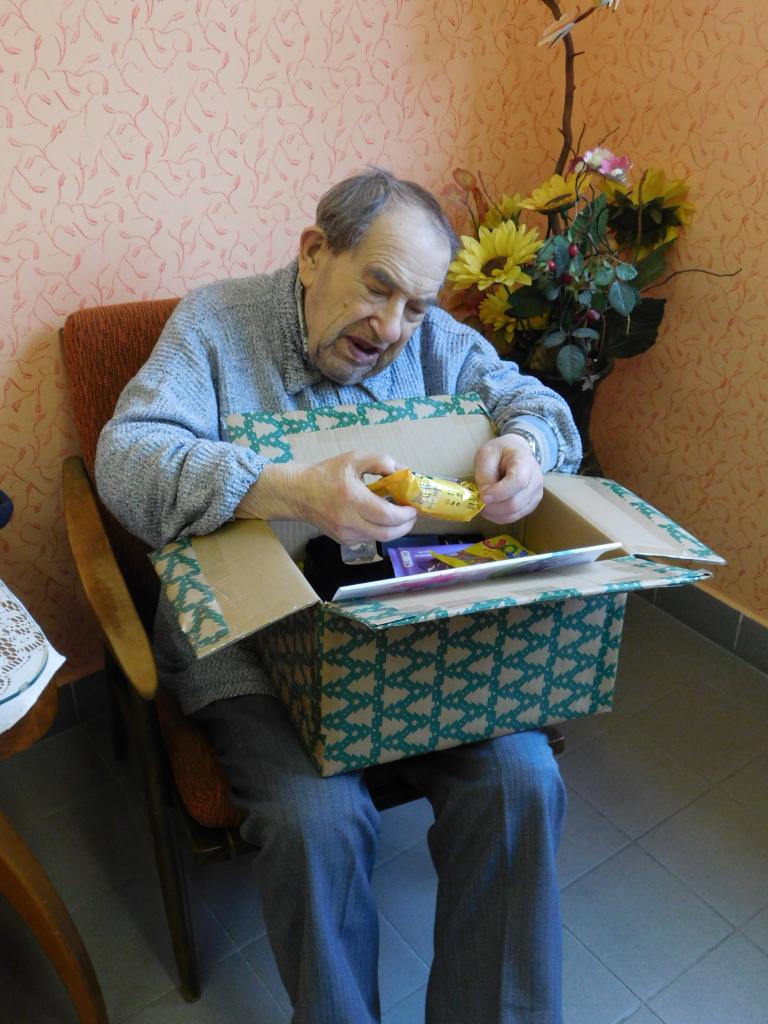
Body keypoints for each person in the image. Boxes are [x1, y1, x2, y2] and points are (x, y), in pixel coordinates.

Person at [95, 168, 581, 1024]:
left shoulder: (432, 341)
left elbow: (533, 401)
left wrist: (530, 449)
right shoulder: (215, 326)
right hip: (254, 644)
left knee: (523, 780)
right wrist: (282, 488)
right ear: (315, 252)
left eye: (416, 306)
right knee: (317, 821)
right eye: (378, 287)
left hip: (408, 633)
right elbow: (125, 461)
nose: (392, 329)